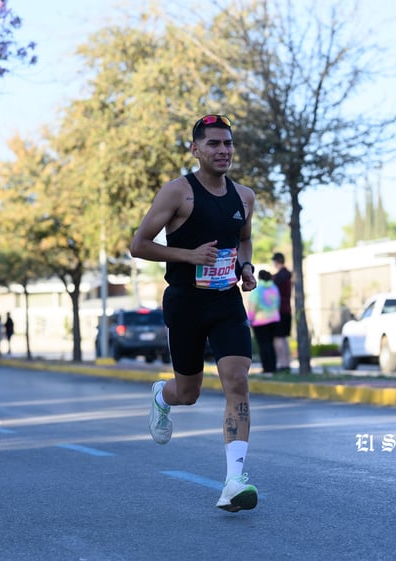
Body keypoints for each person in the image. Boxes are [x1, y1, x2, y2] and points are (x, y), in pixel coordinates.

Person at [130, 114, 259, 512]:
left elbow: (244, 241)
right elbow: (139, 245)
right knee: (188, 393)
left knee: (236, 380)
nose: (223, 151)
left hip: (225, 302)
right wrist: (187, 255)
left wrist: (246, 267)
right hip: (186, 301)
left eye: (228, 144)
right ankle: (161, 395)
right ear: (195, 149)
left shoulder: (245, 197)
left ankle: (234, 481)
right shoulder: (177, 193)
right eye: (214, 144)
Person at [248, 269, 281, 375]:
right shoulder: (275, 288)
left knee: (263, 345)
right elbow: (278, 303)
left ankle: (267, 368)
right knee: (271, 344)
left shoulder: (258, 290)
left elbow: (253, 306)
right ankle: (273, 366)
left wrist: (250, 319)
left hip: (260, 320)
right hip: (274, 319)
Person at [272, 252, 293, 373]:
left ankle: (282, 364)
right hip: (287, 309)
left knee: (278, 338)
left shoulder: (279, 277)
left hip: (279, 310)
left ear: (277, 261)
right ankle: (287, 363)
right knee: (284, 338)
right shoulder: (288, 275)